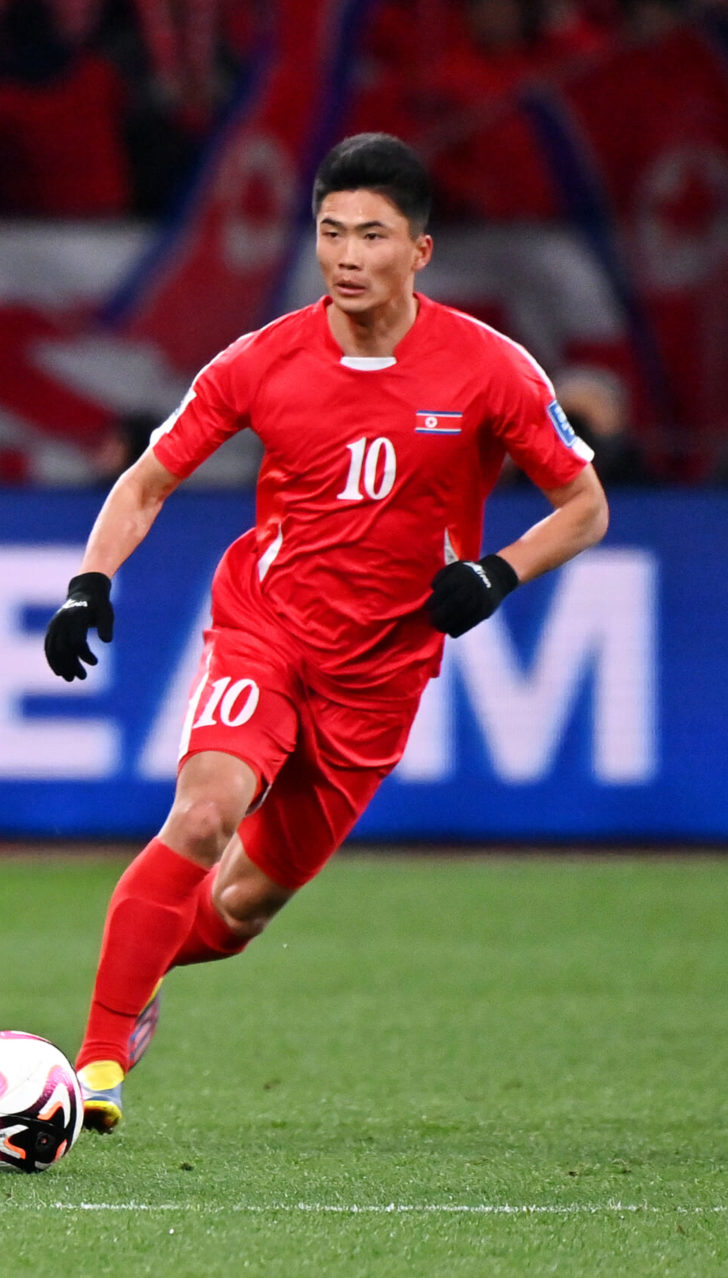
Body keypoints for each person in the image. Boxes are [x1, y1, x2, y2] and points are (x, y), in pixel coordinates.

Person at [43, 133, 608, 1132]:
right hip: (266, 631)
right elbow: (147, 480)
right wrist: (89, 584)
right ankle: (96, 1063)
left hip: (381, 673)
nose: (346, 256)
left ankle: (142, 965)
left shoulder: (489, 369)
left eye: (372, 235)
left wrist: (496, 573)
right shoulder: (261, 359)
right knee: (204, 814)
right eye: (331, 232)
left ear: (419, 251)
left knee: (242, 908)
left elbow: (585, 507)